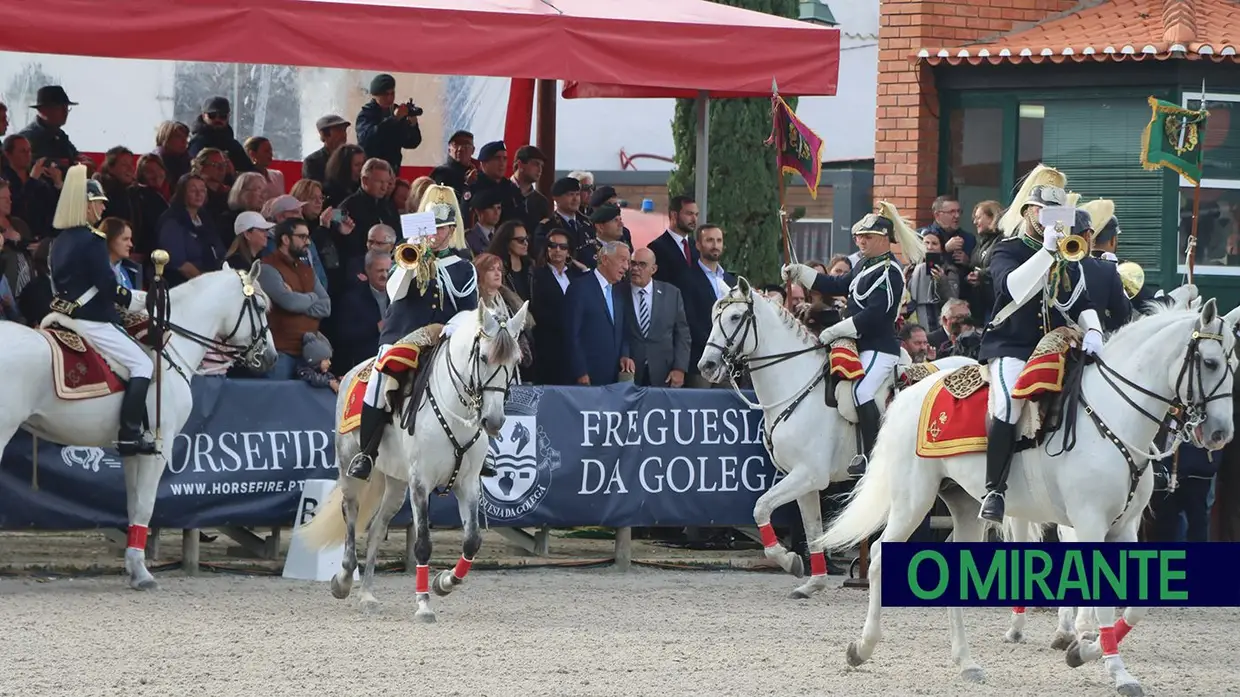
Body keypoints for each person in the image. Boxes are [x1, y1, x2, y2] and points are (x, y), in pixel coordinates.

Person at [975, 165, 1104, 523]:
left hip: (1055, 344)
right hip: (1011, 345)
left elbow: (1081, 301)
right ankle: (994, 490)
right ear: (1029, 212)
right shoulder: (1007, 249)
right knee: (1008, 405)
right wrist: (1046, 252)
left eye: (1058, 215)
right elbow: (1012, 288)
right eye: (1044, 213)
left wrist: (1094, 330)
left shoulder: (1067, 252)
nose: (1051, 221)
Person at [346, 184, 479, 482]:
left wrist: (448, 330)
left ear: (450, 230)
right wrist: (414, 256)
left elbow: (469, 312)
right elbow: (394, 293)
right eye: (432, 227)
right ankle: (367, 452)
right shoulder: (407, 255)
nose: (436, 234)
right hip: (404, 334)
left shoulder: (464, 267)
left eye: (442, 228)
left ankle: (483, 450)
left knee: (479, 376)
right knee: (379, 380)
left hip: (444, 337)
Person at [782, 201, 924, 478]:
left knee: (862, 392)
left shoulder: (889, 272)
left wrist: (837, 330)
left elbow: (875, 314)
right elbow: (836, 285)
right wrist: (801, 272)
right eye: (858, 236)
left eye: (867, 237)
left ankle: (872, 456)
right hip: (858, 346)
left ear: (883, 239)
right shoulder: (865, 266)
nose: (860, 241)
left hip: (879, 347)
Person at [47, 164, 157, 456]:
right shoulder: (93, 240)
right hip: (92, 319)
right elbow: (109, 288)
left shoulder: (58, 241)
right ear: (84, 205)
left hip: (63, 316)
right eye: (98, 203)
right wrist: (141, 299)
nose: (103, 207)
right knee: (143, 365)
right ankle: (130, 435)